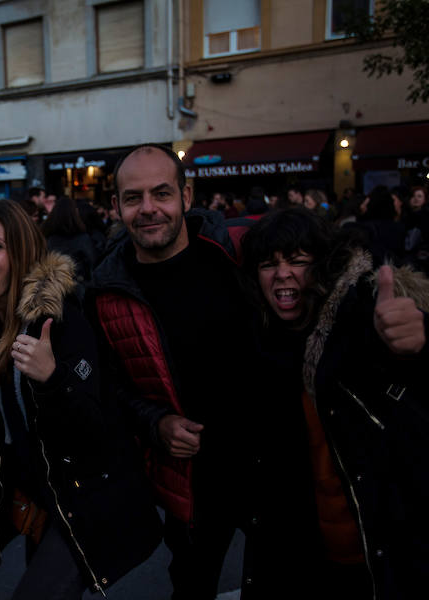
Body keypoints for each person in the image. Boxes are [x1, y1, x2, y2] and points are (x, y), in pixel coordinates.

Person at [85, 144, 313, 599]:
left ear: (187, 196)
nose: (148, 209)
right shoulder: (103, 292)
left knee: (288, 580)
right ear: (116, 207)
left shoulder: (237, 252)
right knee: (192, 585)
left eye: (161, 193)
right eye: (133, 198)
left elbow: (329, 297)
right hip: (194, 483)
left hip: (280, 463)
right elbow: (107, 388)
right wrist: (156, 422)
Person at [241, 207, 429, 600]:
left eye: (297, 261)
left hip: (387, 552)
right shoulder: (259, 341)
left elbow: (425, 357)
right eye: (268, 264)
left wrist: (420, 337)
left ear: (322, 265)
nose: (282, 273)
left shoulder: (358, 314)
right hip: (312, 558)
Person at [0, 199, 161, 599]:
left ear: (20, 252)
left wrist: (53, 379)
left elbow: (96, 430)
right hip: (45, 502)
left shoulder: (58, 321)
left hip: (89, 501)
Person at [41, 195, 97, 284]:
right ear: (75, 213)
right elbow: (92, 265)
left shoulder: (47, 238)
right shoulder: (83, 238)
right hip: (79, 288)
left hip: (53, 289)